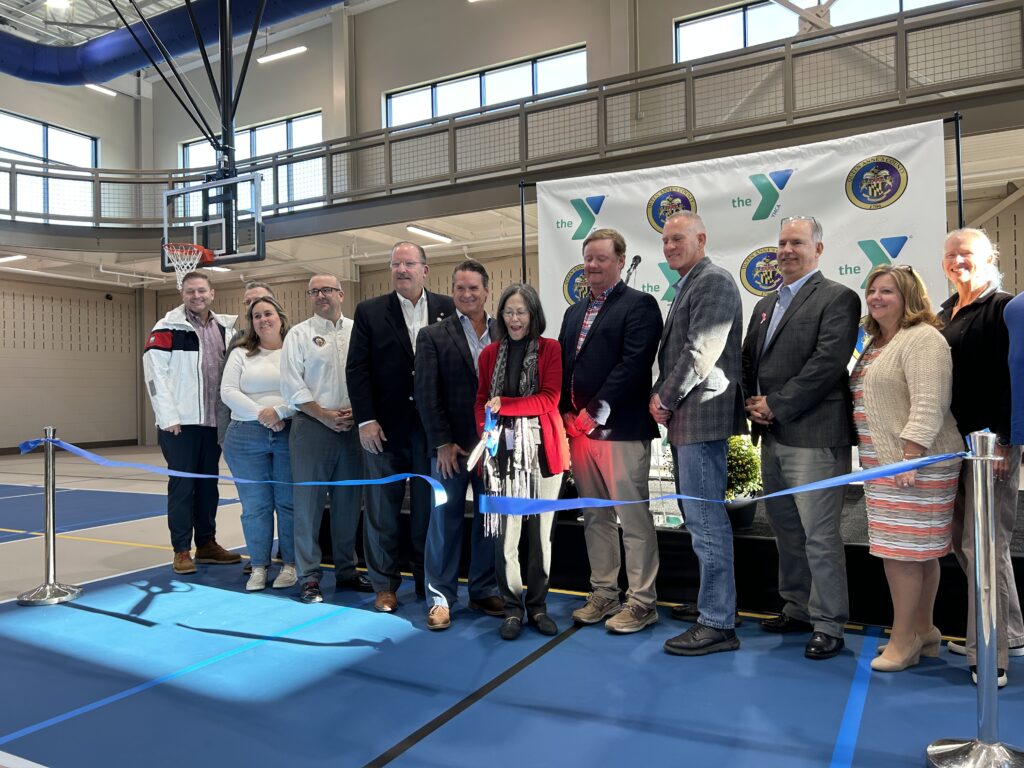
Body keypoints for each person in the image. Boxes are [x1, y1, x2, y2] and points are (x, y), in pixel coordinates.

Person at [741, 216, 860, 661]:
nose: (786, 250)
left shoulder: (838, 298)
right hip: (773, 435)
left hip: (815, 435)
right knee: (787, 530)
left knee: (819, 535)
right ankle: (797, 607)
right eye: (781, 243)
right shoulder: (765, 304)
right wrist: (752, 405)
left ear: (819, 249)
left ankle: (829, 623)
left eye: (797, 242)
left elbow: (828, 363)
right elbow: (749, 361)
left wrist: (778, 403)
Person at [851, 266, 963, 672]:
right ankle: (925, 630)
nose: (877, 297)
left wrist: (910, 455)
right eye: (872, 290)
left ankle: (904, 641)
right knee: (918, 554)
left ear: (909, 298)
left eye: (888, 291)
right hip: (885, 466)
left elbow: (930, 401)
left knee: (901, 556)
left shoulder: (923, 339)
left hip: (912, 465)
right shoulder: (877, 341)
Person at [557, 228, 663, 634]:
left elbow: (633, 366)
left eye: (601, 258)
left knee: (633, 519)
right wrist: (567, 413)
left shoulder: (640, 306)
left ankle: (642, 602)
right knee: (595, 518)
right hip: (579, 434)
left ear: (620, 261)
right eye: (588, 259)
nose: (593, 266)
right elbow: (565, 368)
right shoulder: (573, 311)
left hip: (620, 431)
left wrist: (593, 412)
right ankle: (604, 592)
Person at [651, 212, 746, 656]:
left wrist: (663, 399)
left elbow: (699, 352)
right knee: (699, 521)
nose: (670, 246)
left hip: (700, 417)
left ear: (702, 238)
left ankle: (717, 622)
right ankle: (716, 605)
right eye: (666, 240)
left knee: (706, 522)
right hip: (691, 420)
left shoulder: (713, 281)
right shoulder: (692, 282)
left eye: (678, 238)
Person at [347, 242, 456, 612]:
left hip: (432, 433)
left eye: (409, 263)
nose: (402, 270)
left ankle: (430, 582)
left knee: (430, 513)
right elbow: (357, 370)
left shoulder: (448, 309)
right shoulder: (369, 312)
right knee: (381, 512)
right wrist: (365, 420)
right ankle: (384, 586)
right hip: (384, 431)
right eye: (395, 264)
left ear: (426, 269)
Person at [938, 228, 1024, 687]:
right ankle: (1006, 632)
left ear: (990, 257)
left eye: (965, 253)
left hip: (992, 448)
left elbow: (1016, 379)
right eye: (950, 255)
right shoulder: (943, 314)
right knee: (968, 546)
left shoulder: (1006, 309)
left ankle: (989, 655)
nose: (956, 261)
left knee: (985, 545)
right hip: (952, 449)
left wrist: (1009, 442)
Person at [476, 283, 569, 640]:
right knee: (506, 538)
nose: (514, 319)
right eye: (509, 312)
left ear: (534, 316)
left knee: (540, 536)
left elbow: (549, 398)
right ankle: (512, 608)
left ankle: (538, 606)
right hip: (501, 457)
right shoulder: (488, 355)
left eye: (521, 312)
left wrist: (505, 407)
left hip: (544, 455)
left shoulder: (551, 350)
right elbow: (481, 400)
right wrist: (486, 431)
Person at [415, 260, 504, 629]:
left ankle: (483, 590)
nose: (467, 295)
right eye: (459, 288)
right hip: (451, 450)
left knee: (490, 521)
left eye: (473, 288)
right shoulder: (432, 336)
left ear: (487, 290)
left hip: (495, 448)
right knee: (444, 522)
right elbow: (426, 394)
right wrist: (443, 442)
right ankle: (440, 598)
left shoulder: (506, 331)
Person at [281, 274, 373, 604]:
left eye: (327, 290)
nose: (321, 295)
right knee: (308, 505)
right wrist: (323, 414)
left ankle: (347, 570)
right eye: (314, 291)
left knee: (349, 504)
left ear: (341, 294)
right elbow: (292, 384)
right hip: (311, 427)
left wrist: (356, 412)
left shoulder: (357, 331)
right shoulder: (298, 334)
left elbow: (368, 375)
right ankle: (309, 577)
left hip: (353, 428)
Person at [143, 270, 240, 574]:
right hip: (180, 425)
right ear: (182, 295)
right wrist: (168, 416)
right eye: (190, 292)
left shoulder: (227, 329)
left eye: (201, 291)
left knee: (209, 487)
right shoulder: (166, 328)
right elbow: (154, 375)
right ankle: (182, 550)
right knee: (183, 487)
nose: (196, 296)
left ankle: (207, 544)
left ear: (212, 294)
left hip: (215, 422)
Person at [220, 296, 298, 592]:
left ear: (280, 316)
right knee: (255, 507)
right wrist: (263, 415)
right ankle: (259, 566)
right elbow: (228, 390)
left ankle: (290, 564)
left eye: (268, 313)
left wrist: (280, 413)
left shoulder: (295, 350)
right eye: (256, 316)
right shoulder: (241, 353)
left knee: (288, 504)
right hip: (245, 436)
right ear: (251, 323)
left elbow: (306, 390)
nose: (262, 319)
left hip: (288, 432)